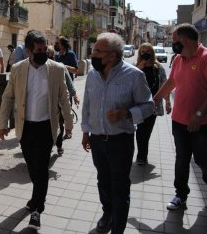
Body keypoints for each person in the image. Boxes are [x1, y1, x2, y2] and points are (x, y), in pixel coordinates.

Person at [0, 30, 73, 230]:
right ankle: (35, 198)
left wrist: (69, 123)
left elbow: (63, 97)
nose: (44, 52)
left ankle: (37, 210)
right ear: (29, 51)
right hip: (25, 127)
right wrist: (2, 123)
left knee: (41, 168)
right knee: (32, 167)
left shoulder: (57, 69)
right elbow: (8, 97)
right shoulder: (18, 69)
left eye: (45, 49)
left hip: (46, 127)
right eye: (39, 50)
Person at [81, 32, 154, 233]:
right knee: (103, 181)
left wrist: (126, 113)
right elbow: (87, 105)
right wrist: (86, 132)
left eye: (97, 51)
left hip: (121, 141)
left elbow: (148, 106)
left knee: (120, 187)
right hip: (97, 140)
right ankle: (108, 213)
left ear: (112, 55)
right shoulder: (93, 75)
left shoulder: (134, 76)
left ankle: (118, 228)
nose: (92, 54)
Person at [154, 23, 207, 211]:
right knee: (182, 158)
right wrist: (155, 99)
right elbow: (172, 82)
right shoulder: (178, 59)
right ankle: (180, 195)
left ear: (184, 40)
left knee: (203, 159)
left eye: (174, 40)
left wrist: (199, 115)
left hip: (203, 123)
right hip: (179, 120)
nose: (173, 44)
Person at [135, 43, 172, 166]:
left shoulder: (158, 68)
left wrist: (168, 102)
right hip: (139, 105)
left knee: (145, 131)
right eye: (142, 51)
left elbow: (164, 85)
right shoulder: (136, 68)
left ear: (152, 53)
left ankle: (141, 156)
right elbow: (130, 83)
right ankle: (141, 155)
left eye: (148, 51)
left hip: (153, 105)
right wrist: (139, 67)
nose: (145, 54)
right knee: (140, 131)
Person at [54, 36, 78, 154]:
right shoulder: (56, 55)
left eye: (58, 42)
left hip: (67, 87)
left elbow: (76, 70)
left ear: (63, 43)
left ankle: (68, 129)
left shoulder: (71, 54)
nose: (56, 44)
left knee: (65, 111)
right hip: (55, 88)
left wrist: (64, 67)